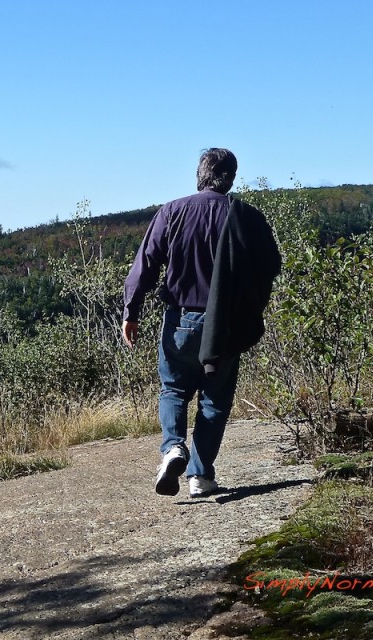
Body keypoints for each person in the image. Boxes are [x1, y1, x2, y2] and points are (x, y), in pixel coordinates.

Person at [121, 148, 281, 498]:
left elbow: (145, 264)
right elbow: (271, 264)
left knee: (174, 389)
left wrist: (131, 311)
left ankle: (173, 448)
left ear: (200, 174)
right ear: (231, 178)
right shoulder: (245, 216)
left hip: (179, 318)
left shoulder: (173, 211)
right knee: (215, 398)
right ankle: (200, 475)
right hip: (225, 323)